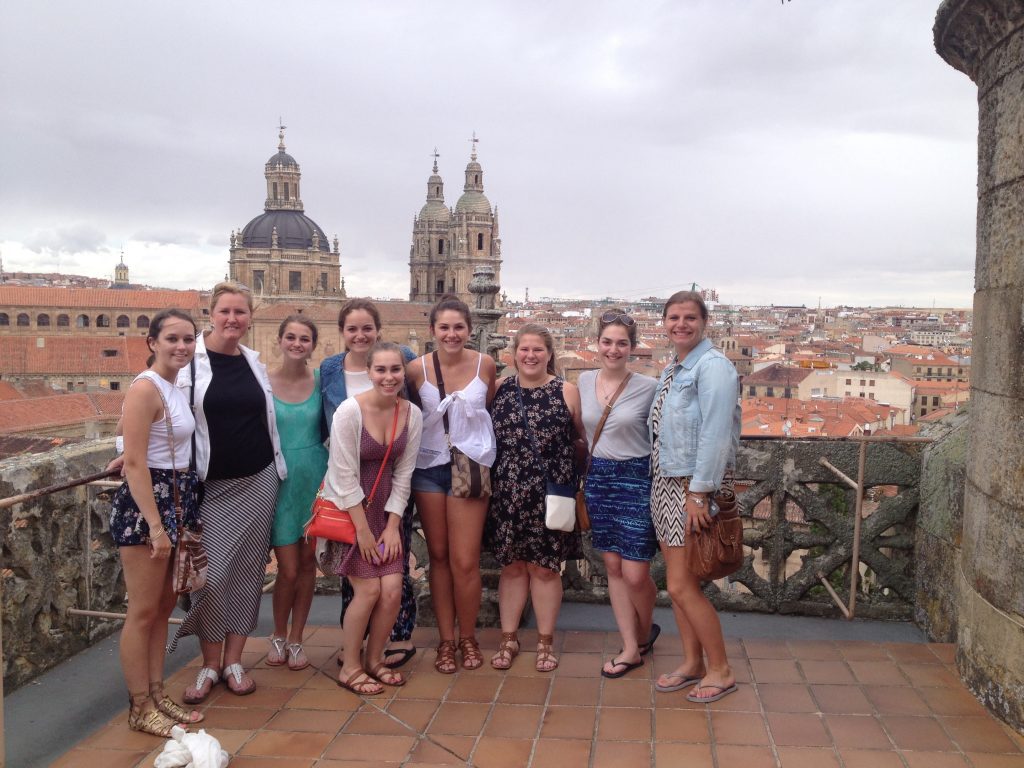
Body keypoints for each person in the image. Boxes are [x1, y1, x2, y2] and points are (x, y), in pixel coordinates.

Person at [171, 280, 288, 703]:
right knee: (211, 577)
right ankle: (209, 663)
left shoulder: (253, 361)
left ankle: (235, 661)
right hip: (210, 486)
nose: (233, 319)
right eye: (225, 312)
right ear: (211, 313)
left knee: (248, 572)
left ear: (250, 316)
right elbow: (155, 407)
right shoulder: (189, 363)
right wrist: (125, 450)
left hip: (259, 479)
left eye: (240, 312)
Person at [110, 308, 204, 736]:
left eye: (188, 339)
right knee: (144, 612)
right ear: (152, 343)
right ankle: (139, 705)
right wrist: (156, 526)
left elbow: (140, 446)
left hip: (177, 500)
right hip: (149, 510)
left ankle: (156, 690)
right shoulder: (146, 388)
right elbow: (135, 462)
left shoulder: (173, 386)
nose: (181, 346)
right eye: (172, 339)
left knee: (164, 607)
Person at [649, 291, 742, 703]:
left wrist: (700, 493)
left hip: (691, 488)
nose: (680, 324)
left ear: (705, 321)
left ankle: (720, 670)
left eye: (689, 317)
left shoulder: (713, 367)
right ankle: (692, 663)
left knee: (685, 586)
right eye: (673, 317)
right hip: (668, 484)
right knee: (676, 583)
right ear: (664, 322)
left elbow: (716, 434)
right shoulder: (676, 365)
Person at [319, 342, 423, 695]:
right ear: (369, 373)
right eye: (381, 370)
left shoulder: (411, 414)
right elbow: (342, 474)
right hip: (352, 511)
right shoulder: (350, 412)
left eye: (395, 370)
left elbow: (404, 473)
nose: (389, 377)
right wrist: (363, 530)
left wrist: (393, 526)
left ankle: (375, 659)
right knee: (367, 590)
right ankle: (350, 666)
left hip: (387, 508)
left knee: (392, 591)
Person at [406, 295, 497, 674]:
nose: (451, 334)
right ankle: (446, 641)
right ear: (432, 331)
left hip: (471, 468)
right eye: (444, 327)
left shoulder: (485, 365)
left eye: (458, 327)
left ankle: (469, 637)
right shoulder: (416, 370)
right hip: (428, 469)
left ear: (469, 330)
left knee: (465, 561)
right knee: (439, 560)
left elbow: (488, 410)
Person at [487, 323, 583, 673]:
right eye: (524, 349)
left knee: (545, 570)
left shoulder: (566, 391)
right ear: (513, 354)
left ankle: (545, 643)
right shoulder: (498, 390)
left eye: (537, 350)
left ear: (549, 353)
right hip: (507, 492)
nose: (530, 355)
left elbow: (580, 441)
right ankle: (508, 639)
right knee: (511, 568)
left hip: (551, 493)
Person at [578, 309, 660, 679]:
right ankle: (631, 646)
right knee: (612, 566)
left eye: (621, 343)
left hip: (636, 477)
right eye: (607, 342)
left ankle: (644, 630)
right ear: (597, 344)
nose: (613, 349)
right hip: (598, 479)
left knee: (636, 572)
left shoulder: (649, 387)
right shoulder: (581, 381)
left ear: (632, 347)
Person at [266, 315, 328, 671]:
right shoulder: (264, 382)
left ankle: (296, 638)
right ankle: (277, 632)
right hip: (278, 479)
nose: (297, 343)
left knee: (308, 565)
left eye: (304, 338)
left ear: (313, 345)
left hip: (315, 478)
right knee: (287, 569)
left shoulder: (321, 381)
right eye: (290, 337)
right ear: (279, 340)